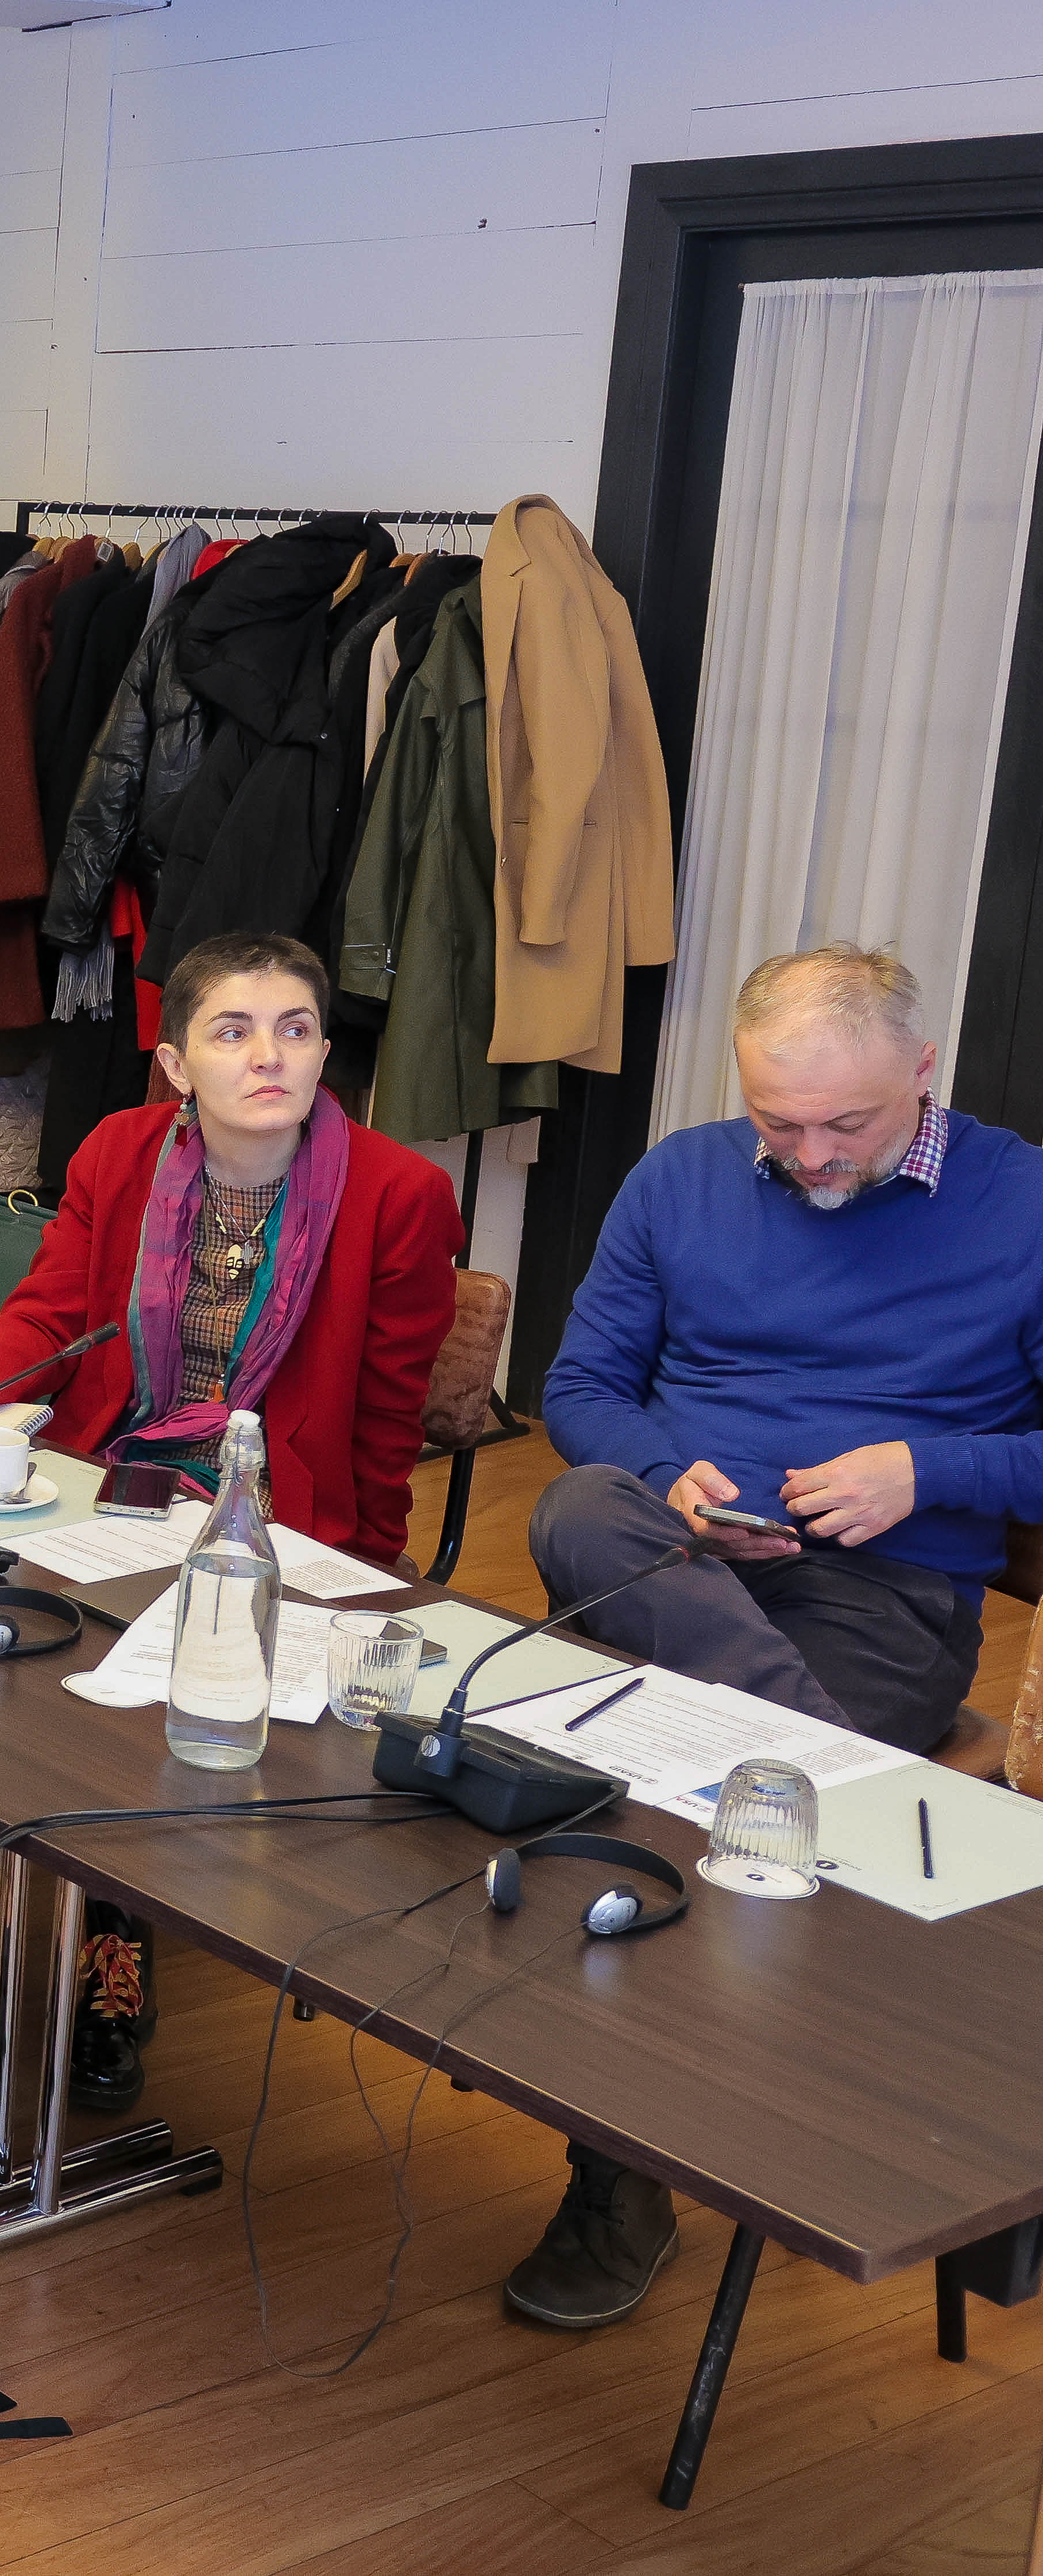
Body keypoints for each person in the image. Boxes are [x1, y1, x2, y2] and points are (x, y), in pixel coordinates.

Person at [500, 944, 1043, 2332]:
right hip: (674, 1563)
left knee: (647, 1810)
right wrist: (667, 1470)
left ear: (922, 1069)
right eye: (776, 1121)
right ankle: (834, 1796)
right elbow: (582, 1386)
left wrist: (928, 1469)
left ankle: (618, 2181)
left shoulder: (1023, 1200)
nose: (808, 1156)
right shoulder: (681, 1177)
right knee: (582, 1506)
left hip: (886, 1593)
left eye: (844, 1123)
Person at [0, 929, 459, 2110]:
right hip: (111, 1471)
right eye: (233, 1032)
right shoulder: (119, 1149)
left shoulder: (399, 1193)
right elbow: (52, 1311)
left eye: (294, 1030)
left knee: (156, 1643)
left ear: (324, 1052)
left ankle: (110, 1925)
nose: (268, 1056)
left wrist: (365, 1572)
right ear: (177, 1062)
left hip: (268, 1513)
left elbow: (388, 1416)